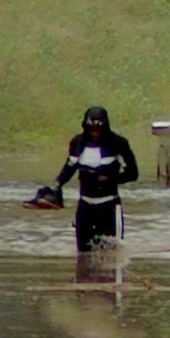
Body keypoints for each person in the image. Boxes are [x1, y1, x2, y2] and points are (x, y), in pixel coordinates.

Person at [54, 106, 138, 252]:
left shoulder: (118, 144)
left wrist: (109, 179)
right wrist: (56, 185)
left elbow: (133, 173)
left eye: (98, 130)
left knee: (113, 254)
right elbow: (69, 168)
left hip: (109, 207)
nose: (95, 133)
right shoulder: (77, 143)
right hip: (85, 207)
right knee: (83, 255)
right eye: (91, 129)